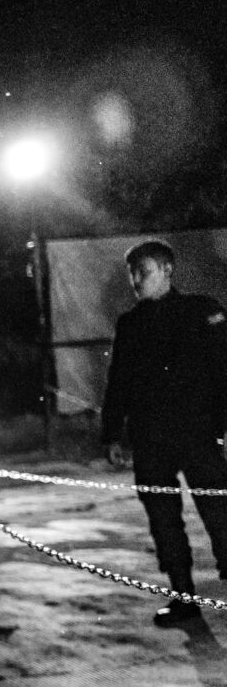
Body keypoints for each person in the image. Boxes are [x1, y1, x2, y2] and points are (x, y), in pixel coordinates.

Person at [102, 239, 227, 626]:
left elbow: (223, 372)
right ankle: (183, 597)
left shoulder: (201, 312)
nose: (136, 281)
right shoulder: (131, 324)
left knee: (219, 512)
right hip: (151, 439)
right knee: (163, 520)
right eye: (132, 274)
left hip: (198, 433)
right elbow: (118, 381)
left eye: (143, 272)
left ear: (167, 270)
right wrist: (112, 435)